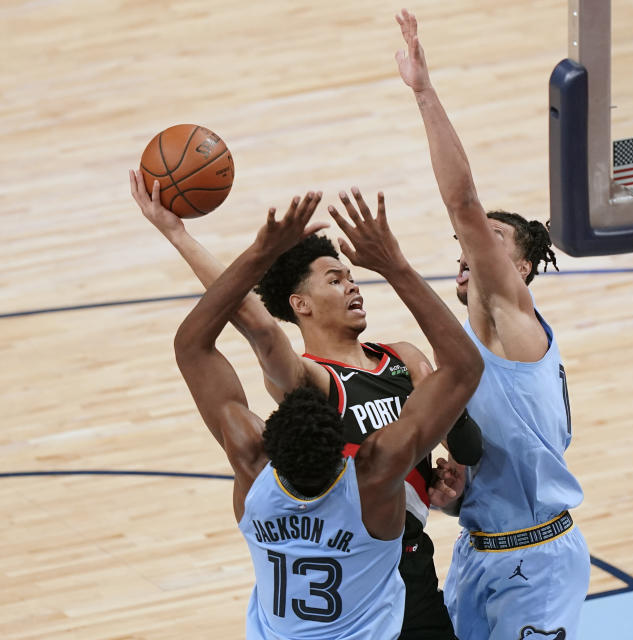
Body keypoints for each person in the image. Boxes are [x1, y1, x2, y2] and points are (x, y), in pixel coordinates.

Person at [130, 171, 479, 639]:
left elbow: (459, 434)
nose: (353, 287)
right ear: (301, 304)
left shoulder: (403, 356)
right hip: (363, 546)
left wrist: (449, 472)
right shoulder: (310, 378)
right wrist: (179, 235)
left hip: (410, 553)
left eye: (353, 278)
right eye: (336, 279)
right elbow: (256, 323)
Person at [395, 9, 591, 639]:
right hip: (480, 552)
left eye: (490, 239)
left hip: (537, 563)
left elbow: (463, 203)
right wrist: (458, 492)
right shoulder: (466, 349)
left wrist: (424, 92)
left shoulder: (517, 323)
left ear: (523, 266)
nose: (470, 245)